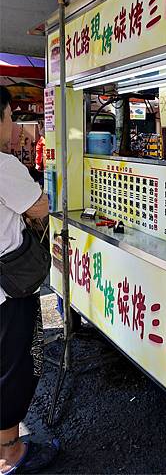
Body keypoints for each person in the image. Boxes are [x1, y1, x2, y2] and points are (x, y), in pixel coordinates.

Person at [0, 87, 59, 474]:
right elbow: (40, 205)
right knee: (11, 367)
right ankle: (9, 453)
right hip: (7, 289)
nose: (12, 125)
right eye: (9, 116)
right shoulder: (3, 166)